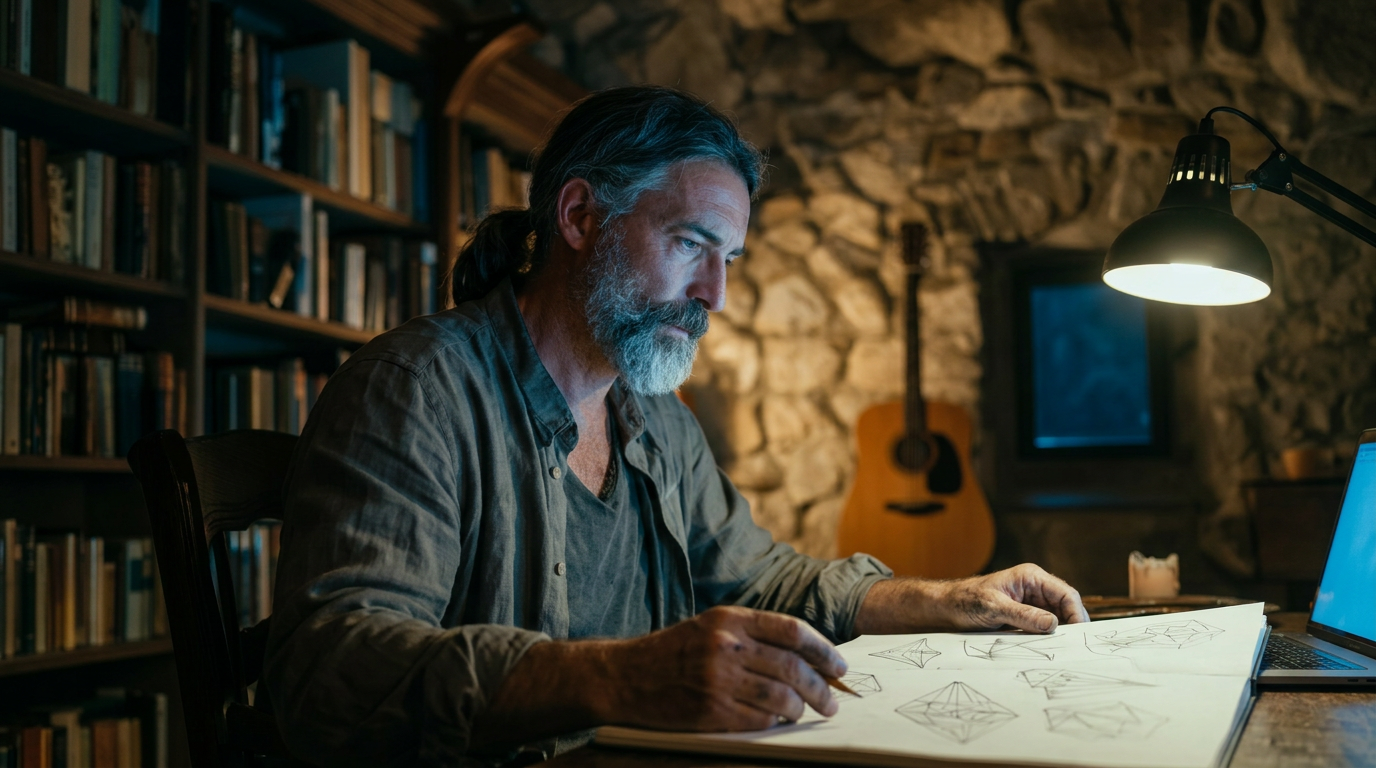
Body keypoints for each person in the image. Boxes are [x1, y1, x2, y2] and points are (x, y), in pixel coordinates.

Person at [263, 85, 1088, 767]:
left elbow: (763, 581)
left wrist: (944, 598)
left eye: (728, 259)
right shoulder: (416, 391)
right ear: (579, 217)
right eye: (692, 243)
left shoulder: (655, 415)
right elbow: (334, 673)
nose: (713, 296)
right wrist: (619, 679)